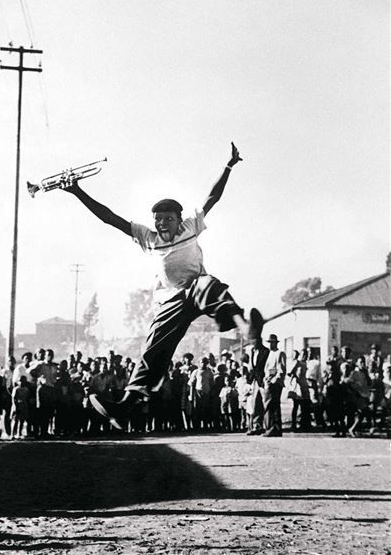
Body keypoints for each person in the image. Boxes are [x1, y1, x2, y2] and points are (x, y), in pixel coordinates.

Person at [63, 143, 264, 428]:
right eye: (158, 220)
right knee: (152, 351)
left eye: (168, 219)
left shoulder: (191, 225)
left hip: (195, 289)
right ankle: (127, 404)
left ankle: (245, 327)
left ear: (179, 220)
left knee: (210, 285)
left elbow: (213, 197)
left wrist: (229, 166)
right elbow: (109, 217)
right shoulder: (147, 237)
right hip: (169, 301)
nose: (162, 224)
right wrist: (77, 192)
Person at [262, 334, 286, 437]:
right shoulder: (270, 354)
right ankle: (271, 427)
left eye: (273, 342)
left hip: (275, 384)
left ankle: (275, 428)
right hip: (268, 382)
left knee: (274, 406)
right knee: (269, 406)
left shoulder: (280, 353)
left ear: (276, 343)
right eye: (270, 342)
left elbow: (281, 370)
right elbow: (267, 370)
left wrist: (274, 381)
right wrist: (266, 380)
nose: (271, 344)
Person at [247, 337, 269, 435]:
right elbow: (252, 368)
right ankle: (257, 426)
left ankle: (267, 426)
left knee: (265, 403)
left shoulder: (266, 351)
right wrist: (249, 381)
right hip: (256, 381)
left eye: (255, 341)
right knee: (256, 404)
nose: (254, 343)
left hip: (263, 380)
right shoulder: (252, 351)